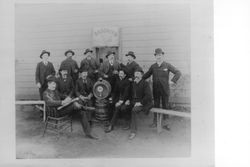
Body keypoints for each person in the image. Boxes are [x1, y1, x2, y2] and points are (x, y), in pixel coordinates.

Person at [142, 48, 181, 129]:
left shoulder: (167, 65)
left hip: (165, 90)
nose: (158, 57)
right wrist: (138, 78)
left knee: (165, 106)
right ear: (155, 56)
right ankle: (155, 122)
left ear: (162, 55)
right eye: (157, 55)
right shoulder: (153, 66)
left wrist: (172, 81)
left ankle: (166, 124)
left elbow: (178, 72)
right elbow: (146, 75)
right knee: (156, 106)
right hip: (156, 90)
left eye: (160, 55)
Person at [129, 67, 153, 140]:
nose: (136, 75)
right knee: (126, 106)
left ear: (141, 75)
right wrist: (127, 100)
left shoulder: (145, 83)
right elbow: (131, 94)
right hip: (136, 102)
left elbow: (148, 96)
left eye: (138, 74)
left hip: (145, 102)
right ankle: (129, 125)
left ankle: (133, 131)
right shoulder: (134, 83)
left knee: (134, 110)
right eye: (135, 74)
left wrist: (140, 103)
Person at [105, 68, 132, 133]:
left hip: (127, 99)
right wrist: (112, 98)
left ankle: (112, 125)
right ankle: (110, 120)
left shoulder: (127, 82)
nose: (120, 75)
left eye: (122, 74)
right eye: (119, 73)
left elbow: (126, 93)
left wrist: (120, 101)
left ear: (125, 75)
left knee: (118, 107)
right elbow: (115, 91)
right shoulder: (118, 80)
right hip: (118, 97)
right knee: (109, 103)